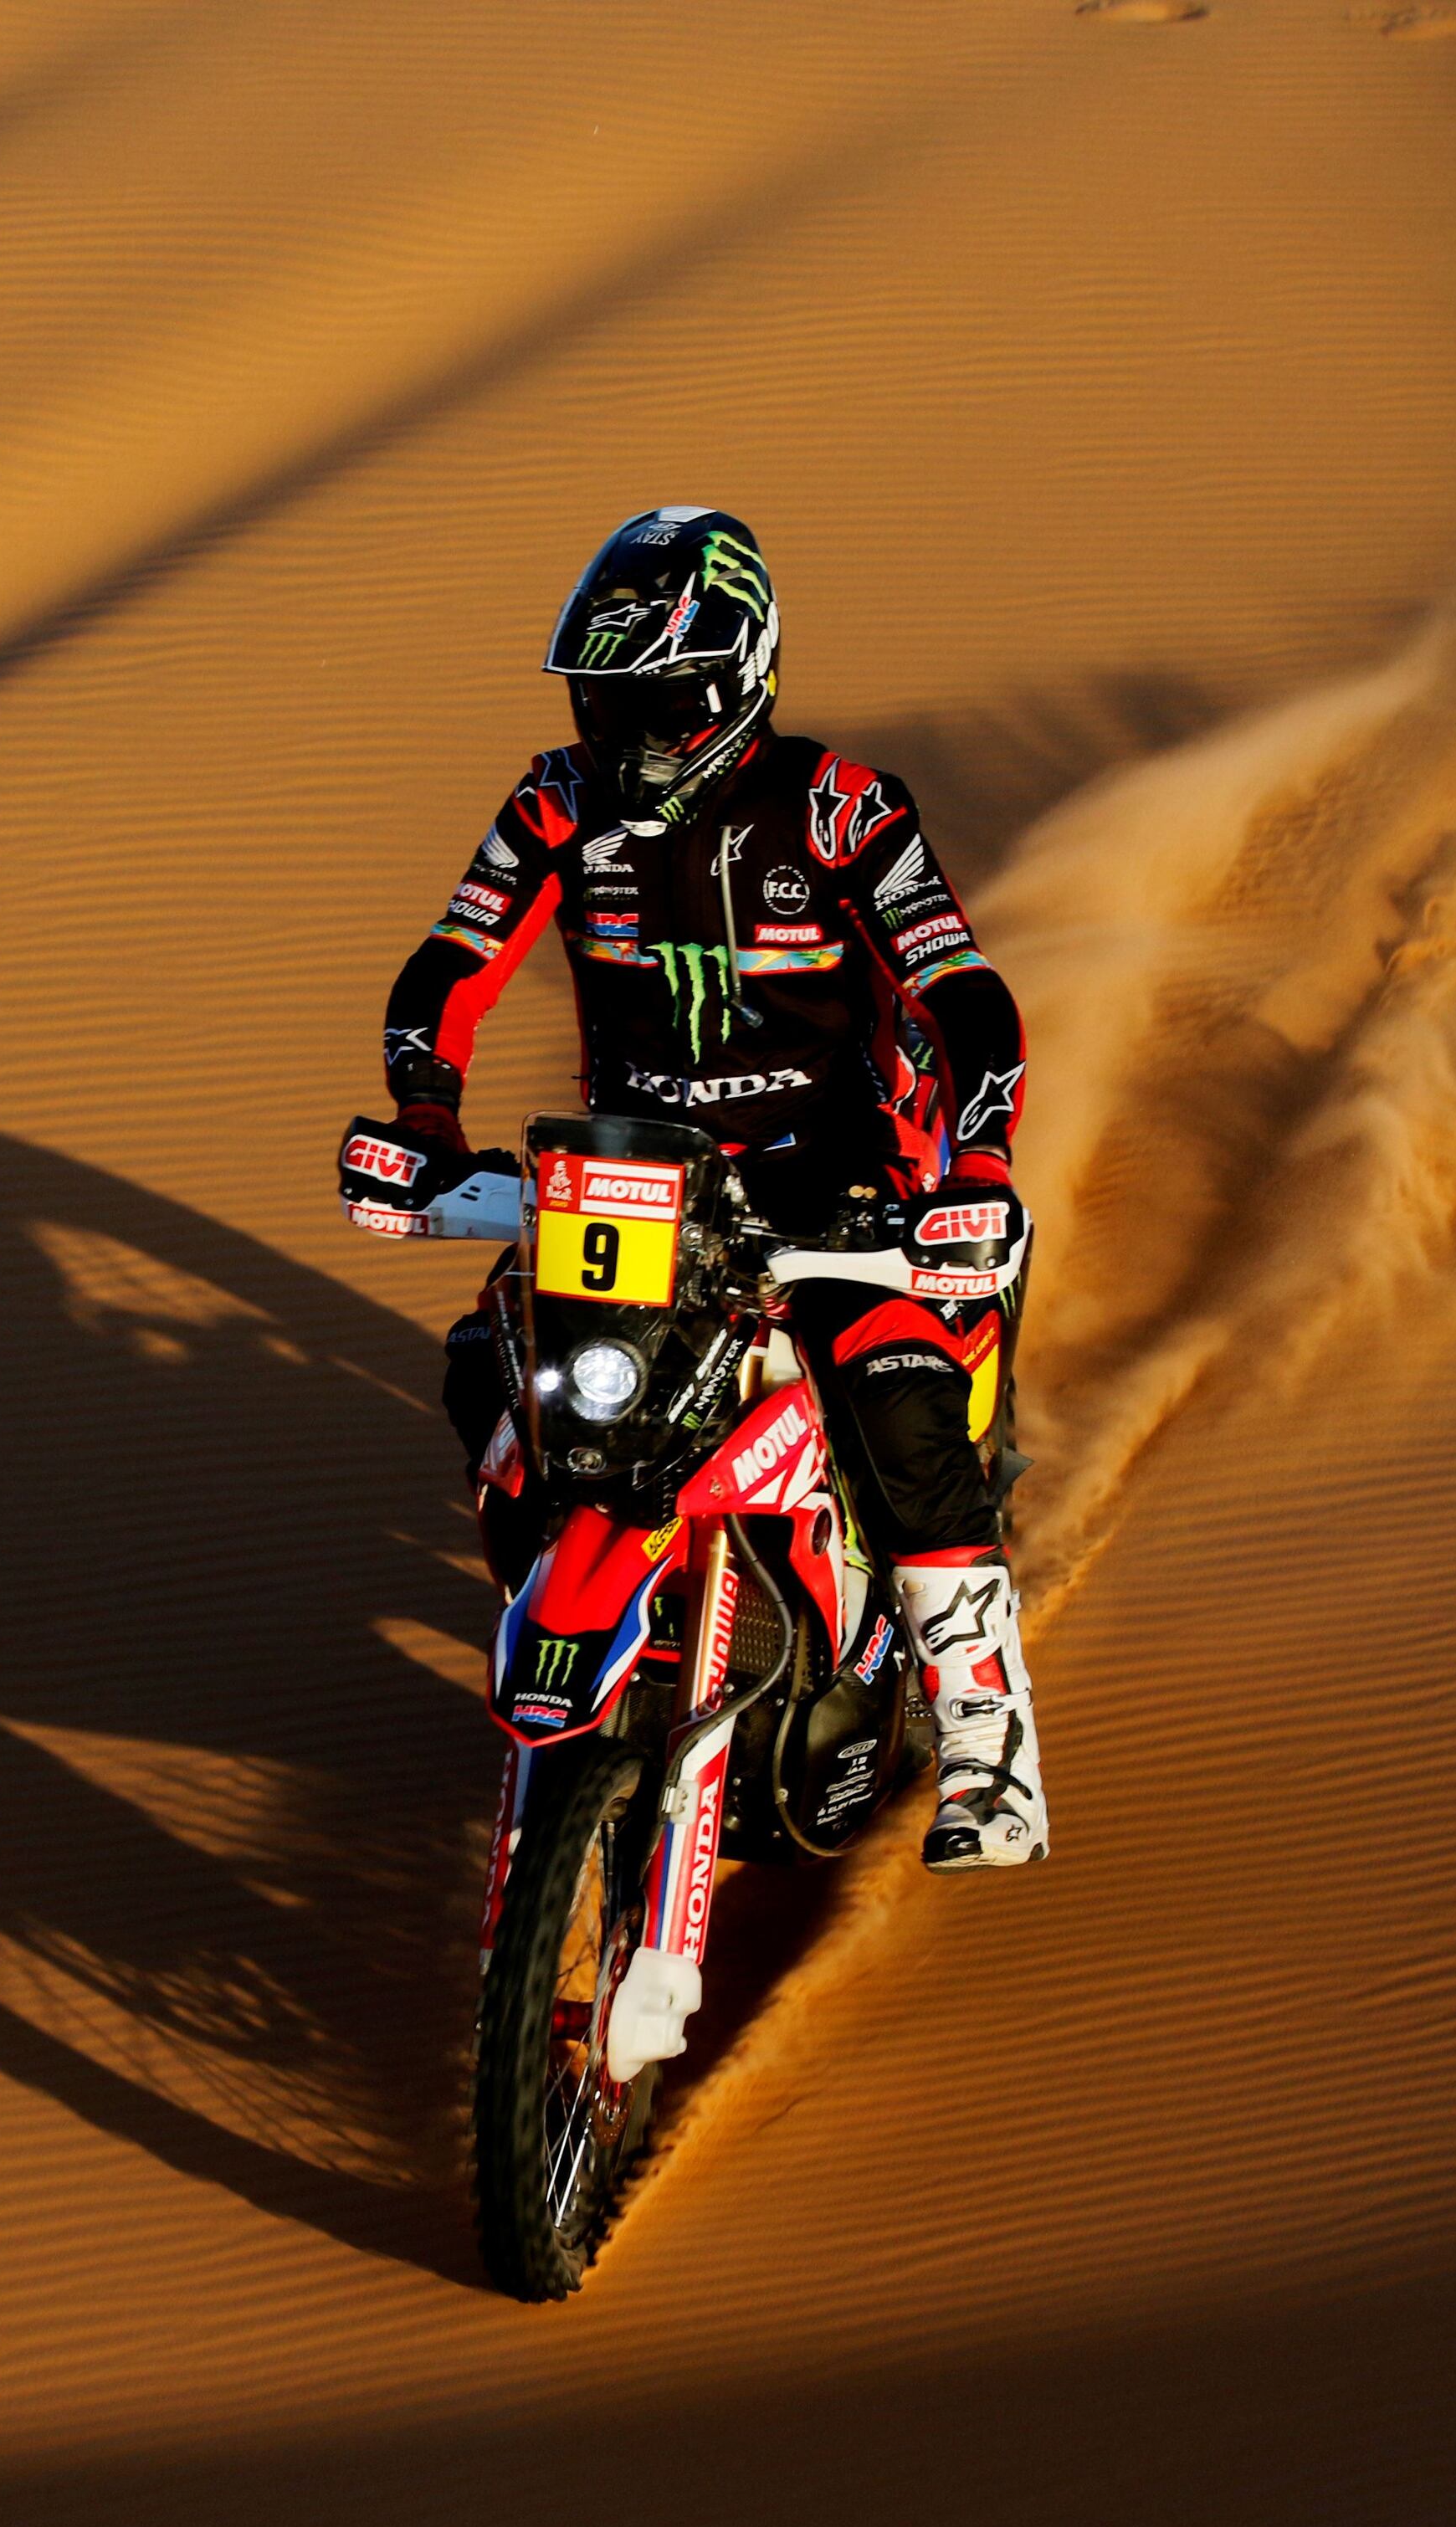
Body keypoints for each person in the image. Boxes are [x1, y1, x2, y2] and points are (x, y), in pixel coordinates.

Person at [339, 505, 1049, 1873]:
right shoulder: (556, 802)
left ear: (734, 684)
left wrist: (979, 1162)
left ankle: (986, 1739)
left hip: (831, 1177)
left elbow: (960, 986)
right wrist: (426, 1110)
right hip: (632, 1183)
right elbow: (454, 959)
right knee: (495, 1367)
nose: (622, 735)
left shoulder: (842, 806)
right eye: (602, 702)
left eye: (653, 703)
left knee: (894, 1392)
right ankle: (577, 1604)